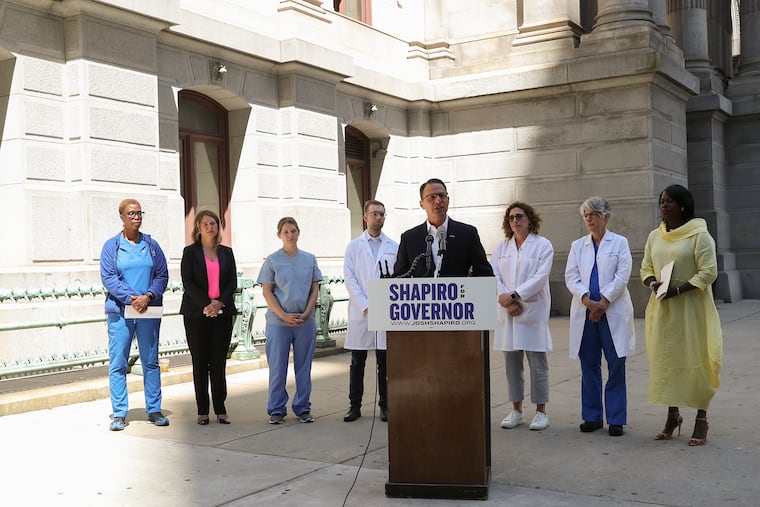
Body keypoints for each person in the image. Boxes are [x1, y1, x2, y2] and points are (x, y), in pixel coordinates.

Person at [641, 184, 723, 446]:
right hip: (663, 311)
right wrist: (654, 283)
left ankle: (701, 418)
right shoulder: (655, 236)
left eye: (670, 201)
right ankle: (672, 416)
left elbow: (709, 272)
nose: (664, 205)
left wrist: (679, 290)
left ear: (683, 205)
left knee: (696, 360)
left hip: (692, 310)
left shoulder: (700, 235)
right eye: (662, 201)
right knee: (667, 362)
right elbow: (646, 267)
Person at [565, 197, 636, 437]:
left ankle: (616, 419)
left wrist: (603, 302)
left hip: (612, 311)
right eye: (585, 215)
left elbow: (622, 275)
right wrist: (587, 300)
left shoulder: (620, 243)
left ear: (605, 216)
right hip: (586, 313)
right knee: (589, 364)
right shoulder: (578, 246)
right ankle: (592, 416)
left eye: (593, 214)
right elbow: (571, 277)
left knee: (616, 363)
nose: (588, 219)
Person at [100, 198, 169, 431]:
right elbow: (109, 278)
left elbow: (162, 275)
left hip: (148, 309)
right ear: (121, 217)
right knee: (118, 362)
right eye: (132, 214)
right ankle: (119, 413)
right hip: (120, 311)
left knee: (151, 361)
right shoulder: (111, 246)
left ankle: (154, 409)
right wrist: (132, 298)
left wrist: (147, 296)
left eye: (140, 213)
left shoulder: (151, 245)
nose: (137, 217)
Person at [491, 202, 553, 431]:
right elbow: (493, 274)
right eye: (511, 218)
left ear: (530, 219)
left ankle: (540, 411)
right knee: (511, 364)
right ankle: (516, 410)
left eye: (519, 216)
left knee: (538, 364)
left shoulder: (543, 245)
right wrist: (506, 300)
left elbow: (540, 277)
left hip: (532, 310)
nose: (515, 221)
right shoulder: (502, 247)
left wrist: (516, 296)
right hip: (508, 313)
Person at [257, 217, 322, 424]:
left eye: (293, 231)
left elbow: (315, 289)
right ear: (279, 235)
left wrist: (306, 313)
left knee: (304, 367)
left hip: (305, 321)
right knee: (278, 367)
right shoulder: (272, 260)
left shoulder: (309, 259)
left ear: (298, 232)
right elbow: (267, 292)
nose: (290, 235)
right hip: (279, 323)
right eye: (285, 232)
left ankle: (303, 407)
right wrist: (284, 315)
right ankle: (276, 409)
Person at [343, 200, 399, 423]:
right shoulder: (353, 246)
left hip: (385, 311)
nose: (379, 218)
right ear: (365, 217)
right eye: (375, 214)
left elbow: (396, 278)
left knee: (385, 362)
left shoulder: (393, 246)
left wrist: (384, 305)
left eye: (382, 214)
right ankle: (354, 406)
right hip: (361, 313)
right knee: (358, 361)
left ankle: (385, 405)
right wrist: (365, 305)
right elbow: (350, 279)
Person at [180, 210, 238, 425]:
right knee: (200, 362)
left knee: (218, 362)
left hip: (222, 313)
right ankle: (202, 410)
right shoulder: (190, 252)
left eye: (213, 223)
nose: (209, 227)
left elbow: (232, 282)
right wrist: (207, 304)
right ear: (198, 228)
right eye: (205, 223)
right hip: (196, 314)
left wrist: (219, 302)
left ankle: (221, 409)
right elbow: (188, 282)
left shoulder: (226, 252)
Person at [393, 178, 493, 278]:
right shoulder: (409, 238)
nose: (438, 201)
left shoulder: (467, 234)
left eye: (442, 196)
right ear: (422, 204)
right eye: (432, 197)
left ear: (448, 200)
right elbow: (399, 278)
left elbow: (484, 274)